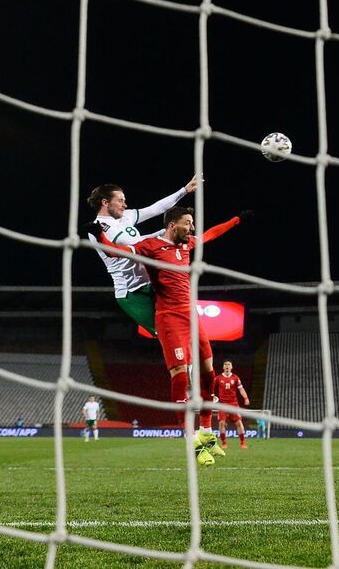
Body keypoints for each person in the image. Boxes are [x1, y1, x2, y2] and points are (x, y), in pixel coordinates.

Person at [91, 205, 243, 466]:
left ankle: (206, 433)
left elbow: (210, 235)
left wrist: (237, 219)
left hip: (191, 315)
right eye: (188, 223)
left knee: (208, 370)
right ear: (173, 225)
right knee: (180, 375)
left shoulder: (186, 245)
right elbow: (116, 253)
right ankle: (190, 440)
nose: (191, 228)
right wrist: (100, 237)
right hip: (169, 317)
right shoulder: (150, 246)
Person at [85, 177, 200, 336]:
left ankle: (197, 361)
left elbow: (156, 208)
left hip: (151, 283)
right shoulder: (102, 228)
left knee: (188, 327)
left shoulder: (125, 217)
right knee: (170, 333)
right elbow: (141, 246)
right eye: (120, 200)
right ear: (105, 203)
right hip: (133, 292)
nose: (125, 204)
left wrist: (184, 190)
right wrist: (165, 232)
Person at [215, 361, 250, 450]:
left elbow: (241, 389)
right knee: (221, 423)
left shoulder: (235, 378)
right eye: (225, 365)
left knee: (239, 423)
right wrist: (212, 396)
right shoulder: (218, 378)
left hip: (233, 404)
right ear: (223, 367)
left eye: (229, 365)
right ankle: (224, 443)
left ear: (231, 367)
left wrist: (246, 398)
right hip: (222, 404)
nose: (227, 366)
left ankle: (242, 442)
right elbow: (211, 388)